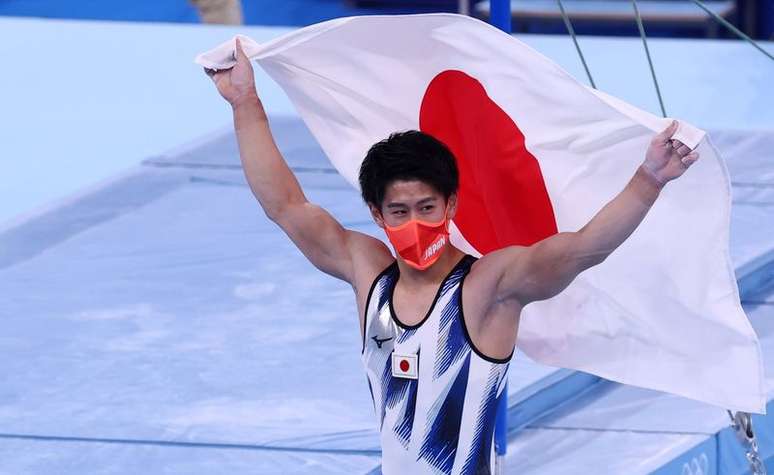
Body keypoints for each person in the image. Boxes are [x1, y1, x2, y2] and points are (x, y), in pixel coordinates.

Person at [204, 39, 699, 474]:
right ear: (376, 214)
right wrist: (245, 102)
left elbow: (585, 248)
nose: (414, 223)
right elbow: (285, 205)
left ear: (452, 205)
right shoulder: (366, 270)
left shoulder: (490, 286)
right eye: (399, 212)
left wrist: (648, 179)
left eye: (427, 208)